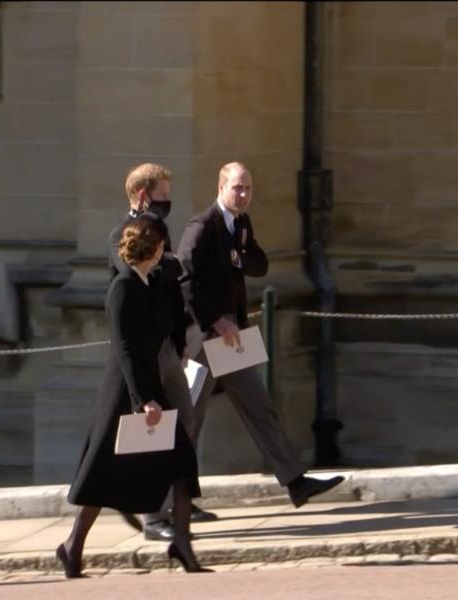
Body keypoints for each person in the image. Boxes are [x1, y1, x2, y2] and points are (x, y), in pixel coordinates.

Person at [176, 162, 344, 508]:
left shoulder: (240, 224)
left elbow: (260, 264)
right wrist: (214, 320)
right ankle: (169, 502)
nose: (244, 194)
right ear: (221, 187)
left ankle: (296, 481)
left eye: (248, 188)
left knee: (259, 406)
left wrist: (237, 254)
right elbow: (184, 278)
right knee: (189, 418)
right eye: (238, 187)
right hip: (204, 336)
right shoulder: (202, 225)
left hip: (232, 334)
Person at [57, 218, 211, 578]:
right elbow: (125, 349)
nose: (166, 249)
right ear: (153, 248)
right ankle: (72, 546)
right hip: (127, 393)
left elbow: (176, 274)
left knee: (183, 464)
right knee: (102, 473)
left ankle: (183, 544)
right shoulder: (123, 287)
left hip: (152, 388)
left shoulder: (152, 280)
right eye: (162, 244)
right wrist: (145, 400)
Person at [107, 163, 218, 542]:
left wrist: (181, 337)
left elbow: (171, 287)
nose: (168, 203)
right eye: (163, 196)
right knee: (154, 435)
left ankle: (175, 500)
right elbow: (141, 279)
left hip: (170, 348)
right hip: (146, 355)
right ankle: (153, 515)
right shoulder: (122, 235)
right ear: (142, 195)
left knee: (184, 425)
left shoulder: (161, 233)